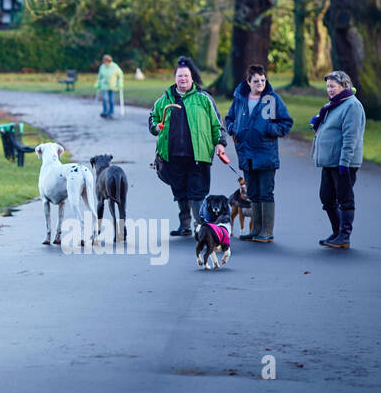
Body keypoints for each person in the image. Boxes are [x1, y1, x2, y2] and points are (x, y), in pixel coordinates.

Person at [149, 56, 228, 236]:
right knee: (179, 190)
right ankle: (184, 225)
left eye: (186, 76)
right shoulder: (165, 99)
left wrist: (220, 143)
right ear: (175, 78)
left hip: (198, 155)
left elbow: (217, 124)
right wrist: (156, 127)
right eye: (180, 76)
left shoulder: (204, 98)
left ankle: (200, 226)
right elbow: (153, 118)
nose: (183, 79)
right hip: (172, 155)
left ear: (191, 78)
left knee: (197, 192)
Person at [224, 64, 293, 242]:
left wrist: (269, 128)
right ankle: (255, 229)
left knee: (266, 192)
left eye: (263, 80)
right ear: (248, 82)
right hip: (246, 153)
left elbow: (286, 123)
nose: (260, 83)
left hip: (265, 153)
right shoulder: (240, 99)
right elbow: (229, 118)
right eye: (256, 81)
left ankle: (267, 232)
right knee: (253, 192)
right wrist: (233, 129)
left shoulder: (273, 99)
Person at [310, 70, 366, 249]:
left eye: (333, 86)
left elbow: (351, 137)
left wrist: (345, 161)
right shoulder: (334, 105)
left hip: (343, 162)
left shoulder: (352, 106)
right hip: (330, 161)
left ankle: (344, 236)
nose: (330, 90)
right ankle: (337, 232)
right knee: (326, 197)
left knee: (345, 198)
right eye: (328, 86)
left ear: (344, 86)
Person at [95, 54, 124, 119]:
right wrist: (98, 83)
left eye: (106, 61)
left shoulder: (115, 66)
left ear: (109, 61)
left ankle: (111, 112)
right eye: (104, 61)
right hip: (104, 86)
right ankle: (105, 112)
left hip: (113, 86)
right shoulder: (102, 67)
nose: (105, 63)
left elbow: (120, 75)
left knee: (111, 100)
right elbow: (99, 76)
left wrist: (120, 83)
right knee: (105, 99)